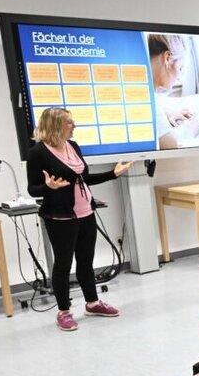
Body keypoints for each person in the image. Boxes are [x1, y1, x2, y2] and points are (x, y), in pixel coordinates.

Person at [25, 107, 133, 332]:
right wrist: (48, 187)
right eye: (69, 122)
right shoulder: (38, 152)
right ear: (55, 125)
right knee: (63, 264)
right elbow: (32, 189)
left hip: (86, 212)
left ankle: (92, 304)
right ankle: (63, 312)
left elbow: (84, 179)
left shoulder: (72, 146)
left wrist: (113, 174)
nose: (74, 126)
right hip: (60, 216)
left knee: (86, 261)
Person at [149, 34, 199, 149]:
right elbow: (172, 145)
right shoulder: (148, 98)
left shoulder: (146, 87)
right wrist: (192, 129)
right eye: (180, 68)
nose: (179, 76)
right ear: (167, 58)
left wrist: (169, 112)